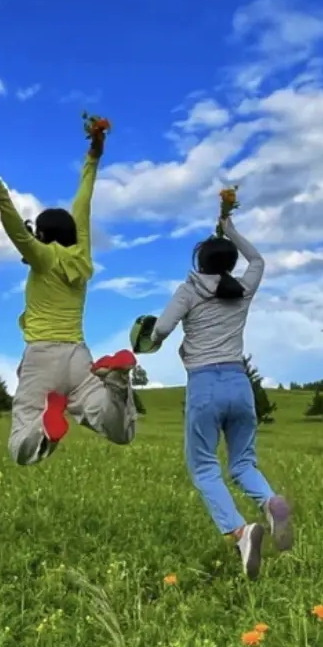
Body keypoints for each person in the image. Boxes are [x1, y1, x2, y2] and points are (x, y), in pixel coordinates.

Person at [131, 207, 292, 577]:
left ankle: (241, 531)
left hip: (205, 385)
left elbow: (161, 330)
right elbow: (258, 259)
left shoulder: (189, 290)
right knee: (243, 463)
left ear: (199, 263)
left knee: (204, 467)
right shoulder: (244, 288)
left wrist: (149, 336)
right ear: (229, 263)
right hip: (240, 383)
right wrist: (231, 229)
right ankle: (270, 502)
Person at [0, 115, 137, 465]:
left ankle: (46, 429)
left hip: (41, 357)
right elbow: (84, 200)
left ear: (44, 237)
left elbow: (16, 230)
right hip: (80, 357)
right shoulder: (82, 257)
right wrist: (93, 155)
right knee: (120, 432)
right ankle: (117, 382)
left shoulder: (42, 257)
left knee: (19, 447)